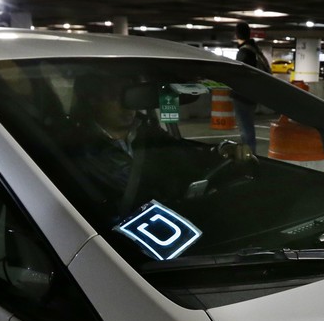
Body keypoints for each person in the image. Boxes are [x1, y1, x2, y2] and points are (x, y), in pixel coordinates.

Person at [71, 75, 253, 213]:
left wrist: (221, 150)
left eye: (130, 96)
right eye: (114, 97)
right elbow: (127, 194)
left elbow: (182, 154)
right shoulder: (78, 148)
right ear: (92, 100)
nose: (127, 104)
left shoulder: (146, 130)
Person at [233, 22, 271, 153]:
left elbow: (239, 75)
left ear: (236, 34)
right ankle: (251, 154)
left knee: (246, 130)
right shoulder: (255, 50)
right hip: (252, 95)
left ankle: (250, 157)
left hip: (243, 95)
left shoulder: (244, 52)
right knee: (248, 127)